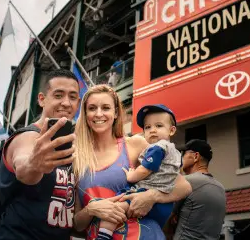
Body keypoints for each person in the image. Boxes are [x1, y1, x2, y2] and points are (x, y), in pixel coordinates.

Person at [72, 85, 192, 240]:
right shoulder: (75, 158)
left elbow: (183, 186)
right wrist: (90, 210)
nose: (99, 114)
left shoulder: (135, 144)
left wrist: (150, 197)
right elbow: (77, 225)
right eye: (92, 108)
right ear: (85, 113)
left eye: (106, 108)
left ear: (115, 113)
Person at [0, 69, 81, 240]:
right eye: (58, 95)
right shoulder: (27, 137)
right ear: (42, 99)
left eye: (72, 97)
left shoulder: (72, 144)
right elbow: (24, 169)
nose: (66, 103)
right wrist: (34, 164)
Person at [98, 104, 182, 237]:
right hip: (165, 202)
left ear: (171, 130)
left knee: (113, 210)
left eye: (158, 126)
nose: (152, 130)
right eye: (147, 127)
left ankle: (103, 236)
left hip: (145, 194)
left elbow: (144, 170)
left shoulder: (157, 149)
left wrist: (131, 176)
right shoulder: (175, 153)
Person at [171, 139, 226, 240]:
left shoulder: (185, 181)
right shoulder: (221, 188)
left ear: (195, 156)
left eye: (183, 154)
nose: (181, 158)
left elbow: (166, 218)